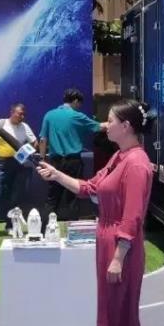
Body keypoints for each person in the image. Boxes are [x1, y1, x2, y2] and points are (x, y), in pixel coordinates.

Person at [36, 99, 154, 326]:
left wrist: (119, 257)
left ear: (126, 126)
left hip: (121, 247)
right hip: (109, 240)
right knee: (119, 320)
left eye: (110, 121)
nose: (105, 126)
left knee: (127, 321)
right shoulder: (119, 157)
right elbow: (89, 188)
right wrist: (56, 175)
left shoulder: (136, 164)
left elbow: (133, 215)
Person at [39, 88, 108, 225]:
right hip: (73, 162)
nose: (79, 106)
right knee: (73, 196)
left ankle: (43, 229)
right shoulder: (77, 116)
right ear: (76, 101)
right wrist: (115, 122)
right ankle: (73, 229)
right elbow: (100, 127)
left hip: (55, 162)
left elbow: (42, 139)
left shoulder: (49, 115)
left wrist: (42, 159)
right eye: (79, 103)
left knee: (52, 197)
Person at [0, 103, 37, 230]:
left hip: (17, 165)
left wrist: (23, 154)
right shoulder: (0, 124)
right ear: (12, 112)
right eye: (19, 114)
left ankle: (11, 224)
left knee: (14, 196)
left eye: (23, 114)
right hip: (0, 164)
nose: (22, 117)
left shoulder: (25, 127)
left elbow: (35, 143)